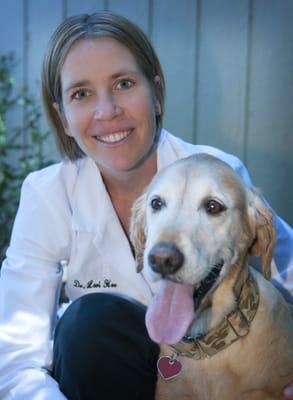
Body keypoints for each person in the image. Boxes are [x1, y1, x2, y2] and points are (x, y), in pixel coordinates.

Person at [0, 11, 292, 400]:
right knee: (87, 322)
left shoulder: (218, 175)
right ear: (63, 117)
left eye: (123, 84)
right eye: (81, 94)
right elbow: (16, 358)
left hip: (221, 373)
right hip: (108, 370)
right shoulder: (47, 194)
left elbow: (288, 267)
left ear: (156, 94)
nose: (107, 111)